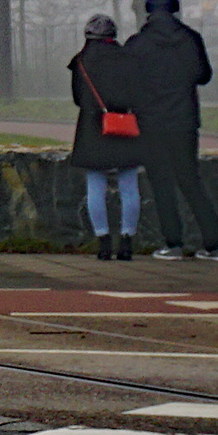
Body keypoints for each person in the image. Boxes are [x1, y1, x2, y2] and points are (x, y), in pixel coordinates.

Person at [124, 0, 218, 261]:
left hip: (151, 122)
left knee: (161, 183)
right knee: (190, 180)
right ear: (174, 5)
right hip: (185, 121)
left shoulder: (138, 44)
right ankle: (215, 245)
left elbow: (127, 82)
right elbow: (204, 76)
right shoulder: (191, 39)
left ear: (148, 6)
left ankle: (173, 243)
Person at [67, 14, 144, 260]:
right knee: (129, 185)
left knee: (95, 187)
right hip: (123, 125)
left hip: (92, 128)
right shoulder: (129, 60)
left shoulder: (80, 62)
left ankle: (103, 241)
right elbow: (138, 94)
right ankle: (127, 241)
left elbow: (78, 99)